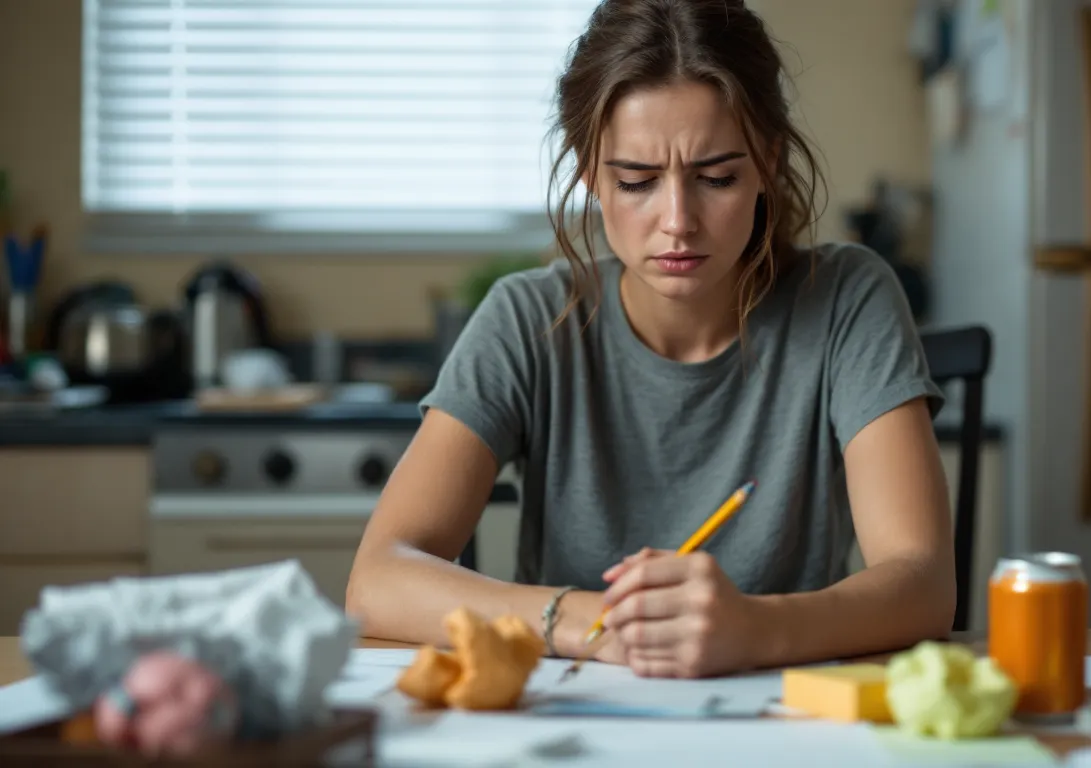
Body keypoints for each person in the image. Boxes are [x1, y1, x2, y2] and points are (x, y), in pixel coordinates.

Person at [346, 0, 956, 679]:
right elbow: (376, 580)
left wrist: (754, 628)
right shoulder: (527, 318)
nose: (677, 222)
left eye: (717, 178)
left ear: (768, 163)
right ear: (588, 173)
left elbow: (923, 583)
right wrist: (590, 624)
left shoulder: (848, 298)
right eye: (635, 181)